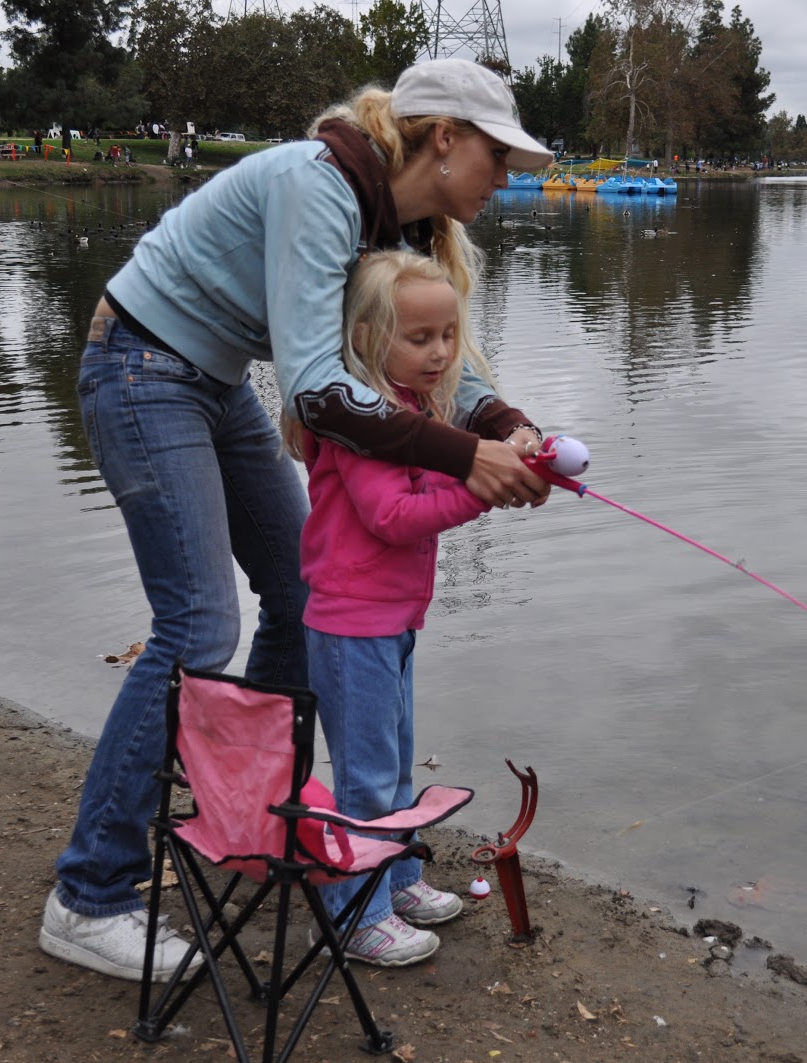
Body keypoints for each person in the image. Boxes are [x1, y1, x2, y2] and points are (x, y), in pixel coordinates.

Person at [37, 57, 556, 983]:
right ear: (445, 140)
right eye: (498, 157)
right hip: (142, 366)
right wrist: (462, 458)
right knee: (197, 623)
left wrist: (506, 426)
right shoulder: (321, 186)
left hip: (214, 376)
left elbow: (449, 371)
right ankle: (90, 894)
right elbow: (320, 393)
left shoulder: (402, 221)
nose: (506, 178)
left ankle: (267, 827)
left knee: (300, 587)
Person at [283, 249, 491, 965]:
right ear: (371, 339)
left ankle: (396, 877)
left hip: (393, 620)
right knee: (367, 776)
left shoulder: (408, 409)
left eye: (447, 336)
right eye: (420, 337)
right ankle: (350, 914)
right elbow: (392, 516)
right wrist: (479, 486)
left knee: (395, 764)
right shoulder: (362, 422)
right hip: (350, 624)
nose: (439, 353)